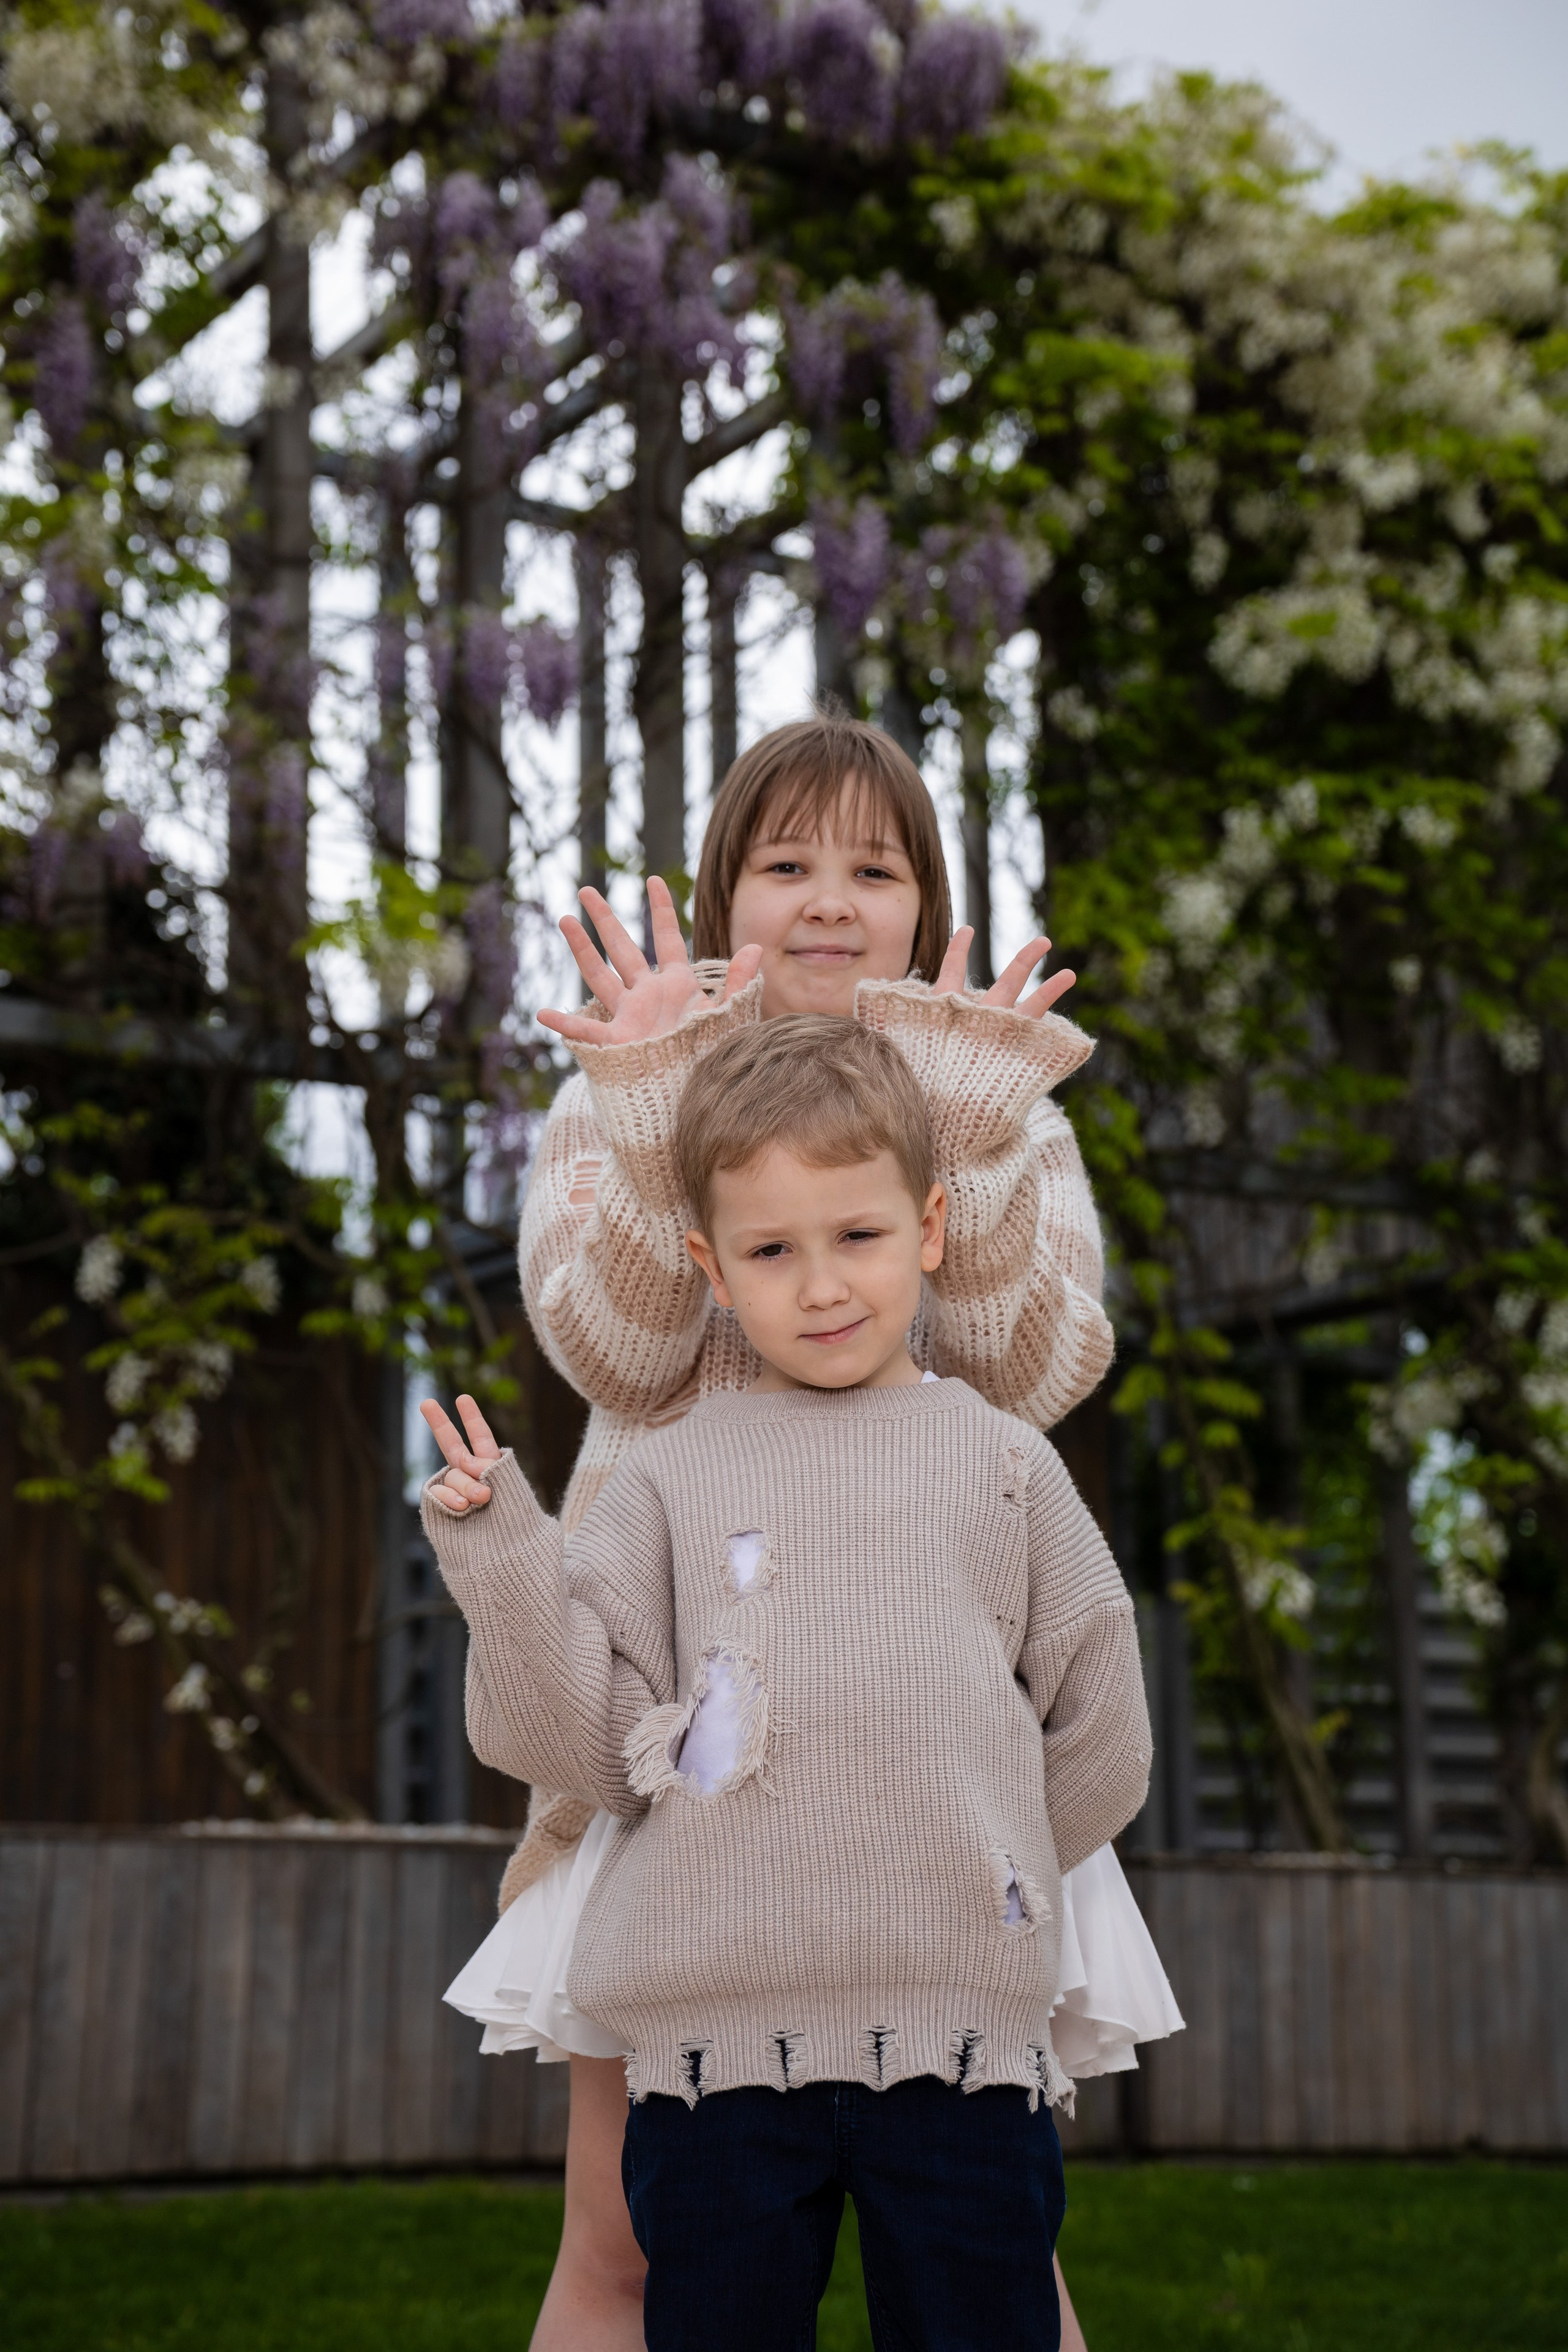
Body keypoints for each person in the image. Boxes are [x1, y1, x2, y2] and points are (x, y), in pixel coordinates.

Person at [441, 712, 1177, 2349]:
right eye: (786, 864)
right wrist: (641, 1104)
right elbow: (620, 1351)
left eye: (874, 864)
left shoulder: (998, 1094)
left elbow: (1031, 1370)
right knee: (625, 2237)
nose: (829, 899)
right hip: (692, 1731)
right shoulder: (631, 1074)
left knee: (994, 2247)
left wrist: (976, 1134)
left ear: (927, 902)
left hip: (932, 1759)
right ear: (721, 899)